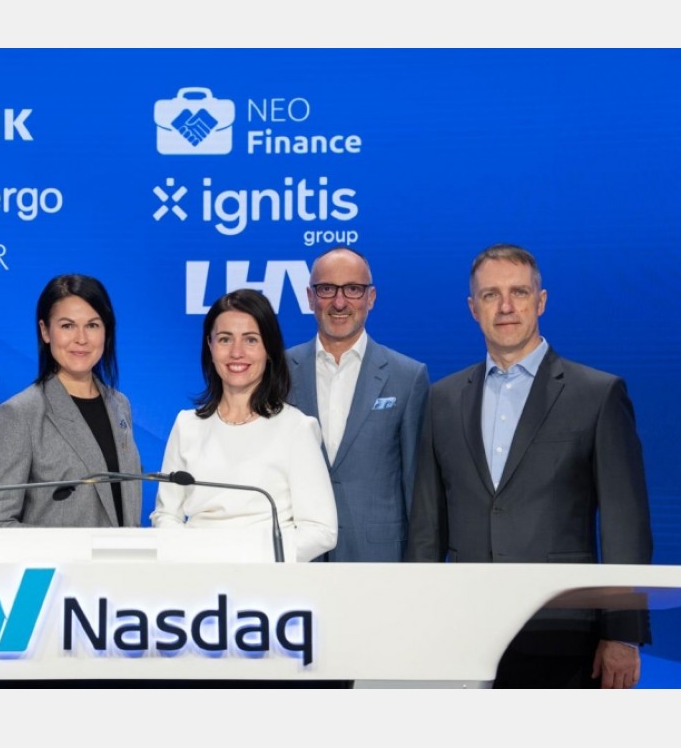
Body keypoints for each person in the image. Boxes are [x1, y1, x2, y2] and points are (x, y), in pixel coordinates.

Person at [407, 243, 653, 688]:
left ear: (540, 301)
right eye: (490, 295)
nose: (505, 307)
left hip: (562, 631)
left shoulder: (596, 394)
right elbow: (427, 526)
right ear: (473, 308)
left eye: (519, 292)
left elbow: (625, 525)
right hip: (464, 629)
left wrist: (622, 633)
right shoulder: (442, 399)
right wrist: (418, 619)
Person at [150, 288, 338, 563]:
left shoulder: (296, 428)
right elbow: (166, 514)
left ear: (269, 349)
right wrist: (190, 556)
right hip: (196, 575)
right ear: (210, 346)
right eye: (225, 339)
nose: (236, 352)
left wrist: (253, 559)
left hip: (267, 579)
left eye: (251, 340)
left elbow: (321, 530)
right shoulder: (187, 425)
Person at [286, 248, 428, 562]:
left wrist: (420, 568)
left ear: (371, 297)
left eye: (353, 289)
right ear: (310, 298)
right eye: (327, 289)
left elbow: (417, 486)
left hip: (378, 558)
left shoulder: (407, 377)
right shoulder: (278, 372)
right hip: (298, 557)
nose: (339, 302)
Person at [0, 274, 142, 528]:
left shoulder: (120, 405)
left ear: (106, 331)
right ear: (45, 331)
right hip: (61, 557)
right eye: (67, 326)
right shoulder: (21, 413)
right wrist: (69, 545)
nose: (81, 338)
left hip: (122, 555)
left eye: (92, 325)